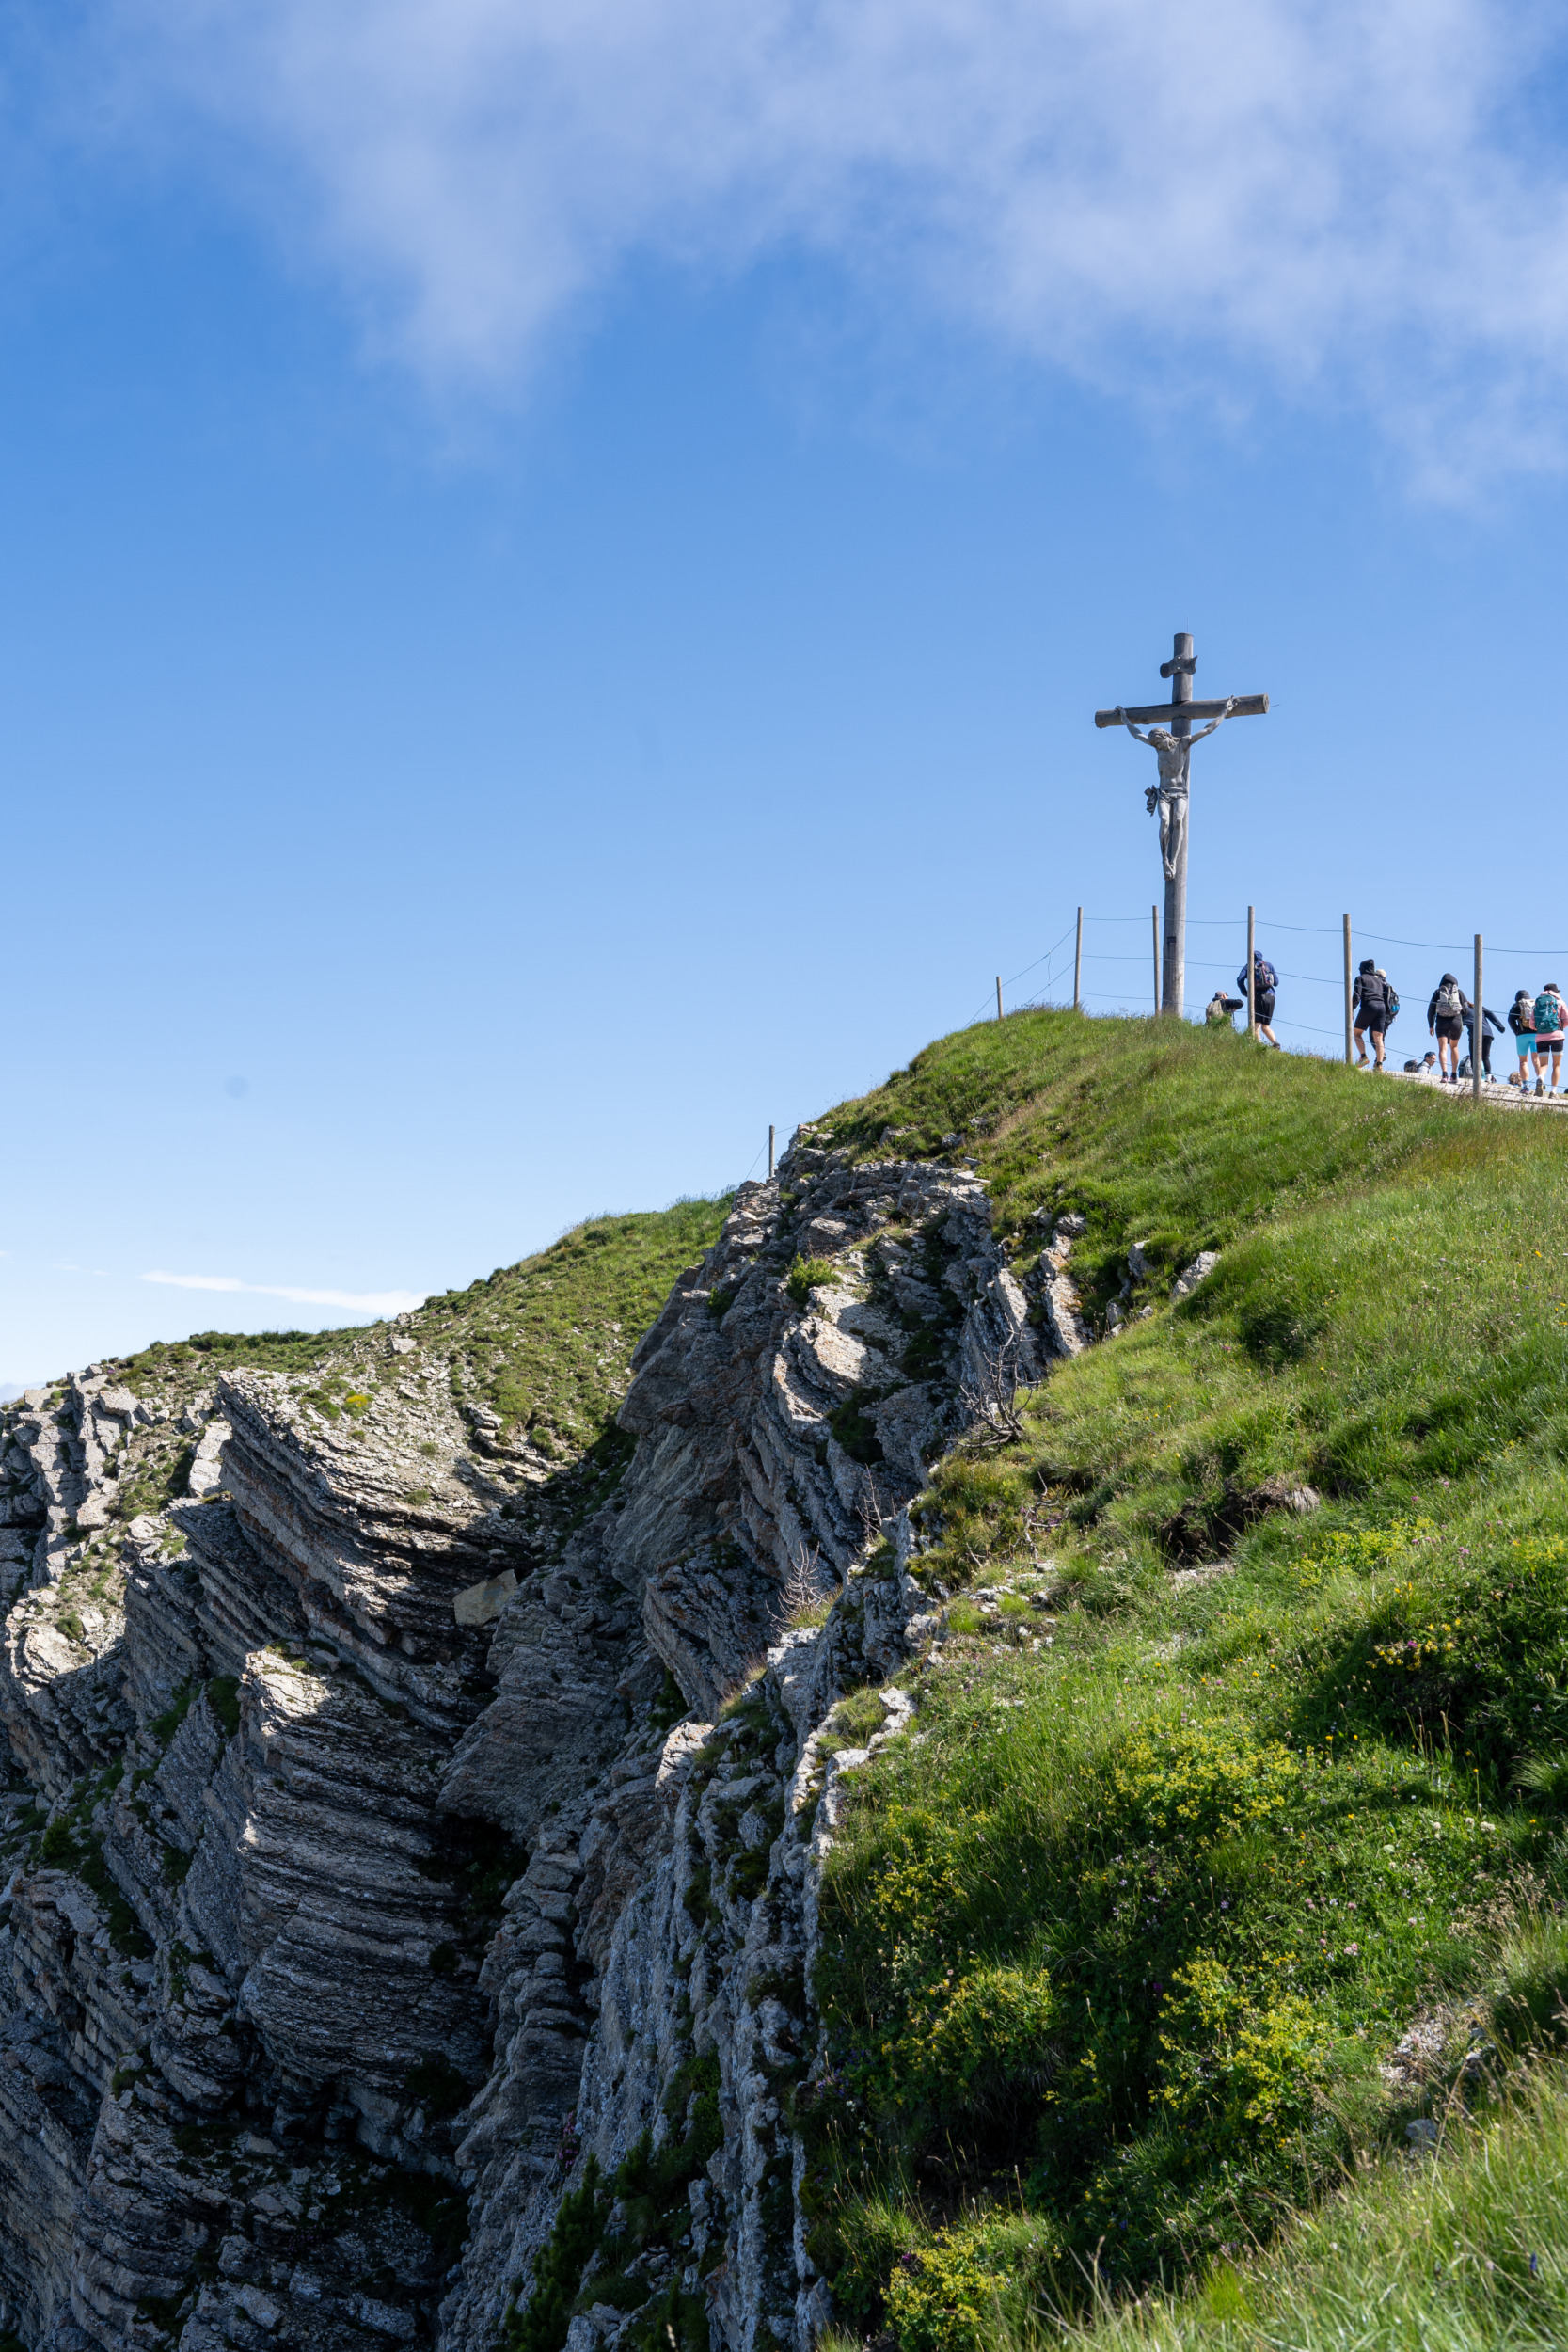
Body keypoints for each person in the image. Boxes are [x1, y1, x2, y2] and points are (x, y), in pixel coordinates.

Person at [1351, 959, 1393, 1069]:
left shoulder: (1360, 978)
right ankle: (1379, 1065)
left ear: (1362, 969)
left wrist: (1351, 1009)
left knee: (1357, 1033)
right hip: (1381, 1008)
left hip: (1369, 1006)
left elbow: (1356, 996)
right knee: (1378, 1038)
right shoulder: (1379, 981)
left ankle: (1363, 1057)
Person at [1428, 972, 1468, 1083]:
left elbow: (1431, 1010)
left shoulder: (1438, 992)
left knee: (1443, 1048)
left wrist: (1431, 1026)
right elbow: (1465, 1010)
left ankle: (1444, 1075)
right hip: (1456, 1022)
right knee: (1454, 1047)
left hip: (1441, 1022)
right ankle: (1454, 1075)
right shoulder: (1459, 992)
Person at [1236, 949, 1281, 1046]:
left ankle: (1258, 1045)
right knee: (1265, 1026)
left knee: (1256, 1024)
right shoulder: (1268, 965)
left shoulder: (1248, 966)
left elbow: (1239, 979)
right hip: (1271, 997)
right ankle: (1275, 1043)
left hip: (1258, 997)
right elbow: (1276, 982)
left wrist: (1245, 992)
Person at [1532, 983, 1568, 1096]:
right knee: (1556, 1065)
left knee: (1543, 1064)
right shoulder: (1560, 1002)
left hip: (1541, 1037)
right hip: (1557, 1035)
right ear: (1555, 991)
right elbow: (1566, 1020)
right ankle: (1553, 1092)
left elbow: (1532, 1024)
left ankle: (1540, 1077)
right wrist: (1560, 1028)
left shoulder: (1537, 1003)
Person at [1462, 998, 1504, 1082]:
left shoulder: (1463, 1011)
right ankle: (1488, 1078)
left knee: (1474, 1057)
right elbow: (1490, 1014)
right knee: (1485, 1057)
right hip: (1487, 1033)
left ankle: (1476, 1078)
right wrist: (1500, 1026)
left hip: (1475, 1034)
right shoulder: (1477, 1006)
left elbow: (1458, 1024)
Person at [1508, 988, 1536, 1088]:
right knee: (1536, 1059)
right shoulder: (1534, 1004)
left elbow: (1510, 1020)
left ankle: (1526, 1086)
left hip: (1522, 1035)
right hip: (1536, 1035)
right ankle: (1540, 1079)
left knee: (1523, 1061)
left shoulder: (1517, 1005)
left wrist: (1517, 1031)